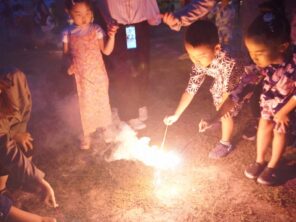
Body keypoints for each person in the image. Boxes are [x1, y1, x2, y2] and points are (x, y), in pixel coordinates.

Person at [163, 20, 243, 159]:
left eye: (200, 56)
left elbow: (229, 101)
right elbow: (191, 89)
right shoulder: (199, 61)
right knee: (220, 104)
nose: (196, 61)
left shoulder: (231, 63)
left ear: (217, 49)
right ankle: (222, 122)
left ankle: (225, 143)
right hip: (222, 78)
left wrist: (214, 118)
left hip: (245, 77)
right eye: (191, 56)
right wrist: (176, 115)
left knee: (225, 110)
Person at [242, 9, 296, 185]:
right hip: (268, 102)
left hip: (285, 106)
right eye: (251, 52)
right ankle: (259, 161)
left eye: (259, 53)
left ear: (282, 47)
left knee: (279, 132)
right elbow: (255, 79)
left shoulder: (293, 64)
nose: (254, 57)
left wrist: (284, 111)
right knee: (264, 125)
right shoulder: (265, 62)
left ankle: (272, 167)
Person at [0, 67, 57, 221]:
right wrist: (39, 220)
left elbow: (9, 140)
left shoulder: (15, 82)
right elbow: (6, 149)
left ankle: (16, 182)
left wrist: (16, 135)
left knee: (24, 143)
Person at [97, 0, 161, 130]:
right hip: (117, 26)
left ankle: (140, 103)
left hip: (139, 24)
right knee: (123, 70)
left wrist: (154, 17)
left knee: (142, 66)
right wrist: (107, 20)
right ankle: (129, 113)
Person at [62, 0, 118, 149]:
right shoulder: (67, 32)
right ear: (69, 13)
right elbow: (65, 54)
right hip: (81, 76)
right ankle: (86, 134)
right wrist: (69, 66)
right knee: (84, 104)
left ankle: (106, 129)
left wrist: (112, 36)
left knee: (102, 101)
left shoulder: (96, 29)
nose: (84, 17)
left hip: (98, 73)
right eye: (78, 14)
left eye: (87, 13)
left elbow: (106, 50)